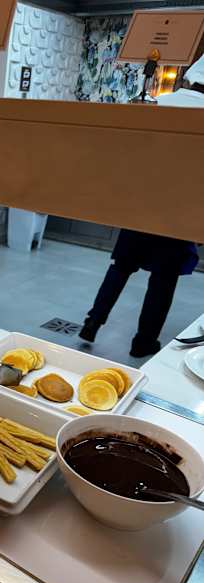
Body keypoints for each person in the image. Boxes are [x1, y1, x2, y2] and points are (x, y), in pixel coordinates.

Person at [79, 54, 204, 358]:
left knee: (121, 267)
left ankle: (92, 322)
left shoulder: (158, 103)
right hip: (179, 211)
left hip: (143, 202)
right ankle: (143, 342)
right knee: (163, 281)